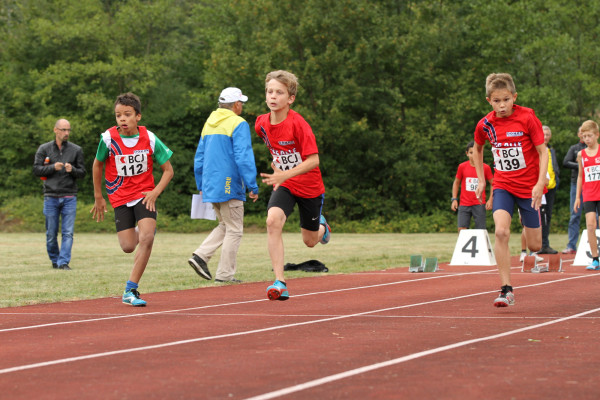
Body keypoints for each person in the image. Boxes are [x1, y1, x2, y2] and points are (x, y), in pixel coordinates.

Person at [90, 93, 174, 306]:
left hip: (144, 195)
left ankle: (130, 290)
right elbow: (97, 165)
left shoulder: (150, 138)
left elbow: (168, 170)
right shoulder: (108, 139)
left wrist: (155, 192)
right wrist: (98, 196)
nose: (122, 119)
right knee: (128, 246)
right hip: (119, 197)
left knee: (147, 238)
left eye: (127, 114)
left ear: (138, 116)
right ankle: (144, 231)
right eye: (118, 115)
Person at [473, 73, 548, 307]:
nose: (502, 105)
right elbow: (477, 148)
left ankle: (526, 219)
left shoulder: (527, 117)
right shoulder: (485, 124)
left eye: (506, 99)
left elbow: (543, 151)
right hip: (503, 185)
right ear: (489, 101)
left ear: (514, 97)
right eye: (497, 101)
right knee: (501, 232)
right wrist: (482, 180)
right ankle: (506, 289)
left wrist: (540, 183)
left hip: (528, 188)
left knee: (535, 246)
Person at [256, 70, 331, 301]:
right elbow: (278, 151)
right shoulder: (261, 124)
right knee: (272, 221)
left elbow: (314, 160)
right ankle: (280, 282)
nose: (273, 96)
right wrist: (279, 169)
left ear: (290, 99)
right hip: (285, 184)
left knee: (310, 242)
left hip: (309, 187)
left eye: (279, 92)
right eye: (269, 91)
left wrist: (285, 172)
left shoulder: (299, 124)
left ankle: (323, 228)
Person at [187, 87, 259, 283]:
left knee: (225, 225)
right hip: (229, 184)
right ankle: (225, 275)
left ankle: (200, 256)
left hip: (211, 184)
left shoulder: (209, 123)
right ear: (236, 104)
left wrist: (201, 184)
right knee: (234, 229)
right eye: (241, 103)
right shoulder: (238, 123)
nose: (242, 106)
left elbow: (199, 158)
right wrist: (252, 185)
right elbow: (243, 157)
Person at [33, 119, 86, 270]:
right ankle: (55, 260)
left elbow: (82, 173)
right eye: (63, 130)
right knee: (51, 234)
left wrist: (73, 170)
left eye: (68, 130)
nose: (66, 133)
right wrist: (52, 168)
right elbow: (36, 170)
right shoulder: (44, 149)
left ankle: (63, 262)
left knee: (68, 233)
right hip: (50, 196)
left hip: (69, 196)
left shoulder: (76, 150)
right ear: (55, 130)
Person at [573, 120, 600, 271]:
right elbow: (580, 176)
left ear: (597, 135)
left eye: (589, 136)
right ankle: (595, 259)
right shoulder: (581, 154)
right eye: (584, 137)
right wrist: (577, 197)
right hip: (589, 194)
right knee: (590, 225)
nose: (587, 139)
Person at [451, 141, 493, 231]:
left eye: (476, 152)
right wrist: (454, 199)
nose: (474, 155)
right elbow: (456, 183)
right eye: (471, 153)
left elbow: (493, 184)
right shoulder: (462, 167)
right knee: (462, 229)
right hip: (464, 203)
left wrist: (490, 199)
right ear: (467, 153)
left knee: (480, 230)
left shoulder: (485, 168)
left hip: (479, 203)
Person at [562, 126, 586, 254]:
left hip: (592, 185)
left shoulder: (595, 149)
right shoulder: (574, 148)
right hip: (576, 184)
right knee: (575, 214)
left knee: (596, 216)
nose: (584, 135)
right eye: (582, 133)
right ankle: (571, 245)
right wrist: (580, 165)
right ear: (578, 134)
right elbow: (566, 162)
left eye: (586, 133)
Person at [537, 125, 560, 254]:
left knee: (547, 216)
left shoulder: (551, 150)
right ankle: (538, 244)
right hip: (539, 188)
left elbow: (554, 166)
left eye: (547, 134)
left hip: (551, 187)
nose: (545, 137)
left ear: (550, 136)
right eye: (543, 134)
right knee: (539, 216)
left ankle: (545, 244)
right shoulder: (536, 149)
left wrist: (557, 179)